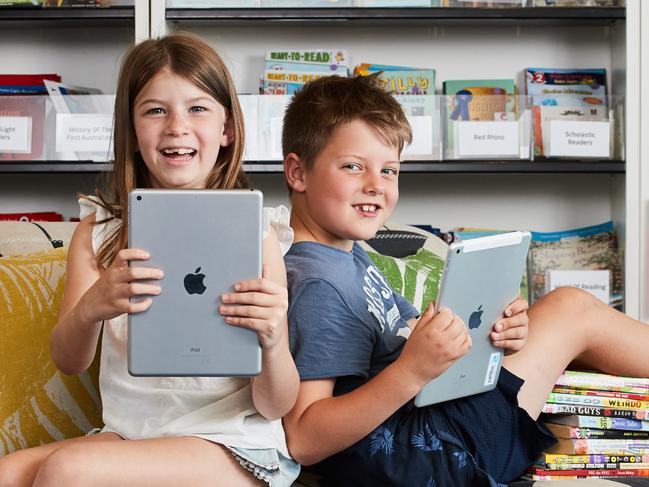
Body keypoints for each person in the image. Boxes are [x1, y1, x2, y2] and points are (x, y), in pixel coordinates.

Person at [280, 74, 649, 486]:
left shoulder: (344, 256)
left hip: (430, 428)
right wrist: (412, 372)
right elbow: (303, 437)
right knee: (571, 309)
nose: (376, 186)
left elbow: (413, 335)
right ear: (298, 173)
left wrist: (494, 330)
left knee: (562, 322)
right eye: (353, 166)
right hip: (432, 453)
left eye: (389, 170)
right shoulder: (318, 282)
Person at [0, 33, 300, 487]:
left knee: (68, 470)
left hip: (231, 444)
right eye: (155, 110)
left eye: (197, 108)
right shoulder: (99, 232)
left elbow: (276, 405)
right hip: (131, 437)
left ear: (227, 130)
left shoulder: (256, 236)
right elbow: (69, 360)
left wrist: (274, 340)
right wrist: (92, 307)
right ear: (132, 131)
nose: (176, 126)